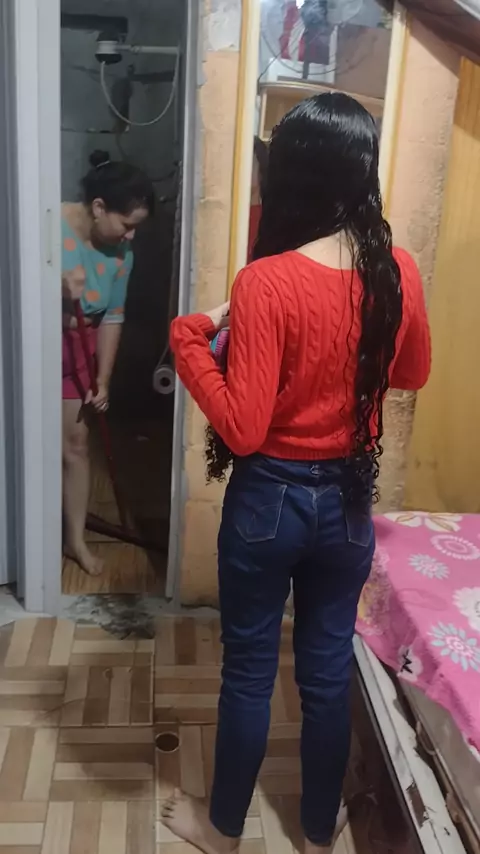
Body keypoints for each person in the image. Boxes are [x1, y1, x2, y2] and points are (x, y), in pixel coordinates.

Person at [165, 93, 431, 854]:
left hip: (268, 503)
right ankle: (317, 835)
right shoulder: (397, 270)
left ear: (290, 178)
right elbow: (410, 373)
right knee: (324, 672)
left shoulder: (267, 282)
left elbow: (244, 428)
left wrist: (190, 336)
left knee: (250, 671)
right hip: (347, 501)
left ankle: (222, 831)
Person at [62, 150, 154, 576]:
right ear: (99, 207)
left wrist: (103, 379)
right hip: (34, 349)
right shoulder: (49, 226)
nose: (131, 236)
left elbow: (113, 317)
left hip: (78, 351)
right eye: (127, 224)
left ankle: (75, 541)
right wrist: (53, 288)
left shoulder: (121, 255)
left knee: (76, 446)